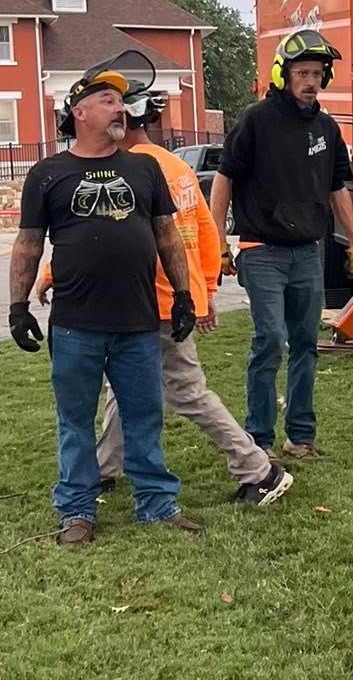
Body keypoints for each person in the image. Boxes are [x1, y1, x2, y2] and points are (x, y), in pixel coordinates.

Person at [39, 93, 293, 509]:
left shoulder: (133, 170)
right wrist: (204, 290)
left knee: (188, 392)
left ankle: (259, 469)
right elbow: (204, 232)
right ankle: (102, 469)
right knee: (123, 391)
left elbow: (106, 237)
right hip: (171, 297)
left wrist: (50, 274)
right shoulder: (175, 165)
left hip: (149, 300)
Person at [8, 60, 202, 547]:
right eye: (109, 101)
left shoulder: (144, 167)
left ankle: (156, 504)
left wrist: (183, 295)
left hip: (138, 321)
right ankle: (76, 511)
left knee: (144, 417)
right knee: (75, 421)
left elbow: (167, 235)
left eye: (121, 101)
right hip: (75, 325)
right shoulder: (48, 174)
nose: (121, 108)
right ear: (80, 111)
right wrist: (17, 306)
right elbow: (29, 244)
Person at [209, 28, 353, 461]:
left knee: (305, 343)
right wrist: (218, 240)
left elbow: (338, 187)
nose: (310, 81)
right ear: (284, 74)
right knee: (271, 339)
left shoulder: (327, 126)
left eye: (317, 73)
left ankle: (301, 436)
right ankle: (258, 438)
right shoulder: (256, 120)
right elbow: (225, 178)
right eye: (302, 73)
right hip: (262, 250)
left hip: (307, 252)